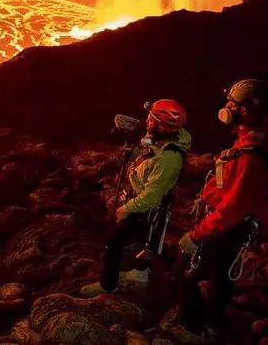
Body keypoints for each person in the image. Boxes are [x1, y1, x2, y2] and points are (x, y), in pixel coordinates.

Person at [172, 79, 268, 341]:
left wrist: (196, 235)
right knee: (219, 276)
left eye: (232, 103)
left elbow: (233, 207)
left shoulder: (250, 156)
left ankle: (193, 330)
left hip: (227, 227)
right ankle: (212, 324)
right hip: (225, 223)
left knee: (188, 271)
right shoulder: (244, 146)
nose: (226, 108)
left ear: (245, 110)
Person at [81, 99, 190, 297]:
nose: (146, 121)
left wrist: (125, 209)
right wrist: (137, 149)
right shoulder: (163, 141)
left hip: (147, 208)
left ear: (162, 126)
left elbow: (151, 196)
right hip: (145, 204)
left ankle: (108, 286)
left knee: (114, 240)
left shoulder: (169, 157)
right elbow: (149, 153)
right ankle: (141, 275)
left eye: (151, 119)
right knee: (148, 240)